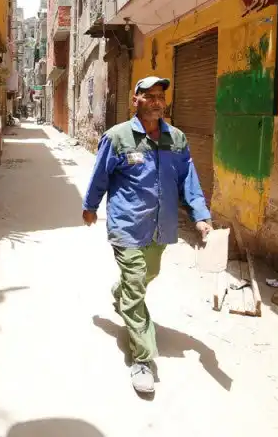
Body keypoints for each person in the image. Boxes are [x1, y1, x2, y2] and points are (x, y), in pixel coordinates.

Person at [82, 76, 212, 394]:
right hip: (127, 226)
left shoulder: (176, 139)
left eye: (160, 96)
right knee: (136, 289)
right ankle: (142, 359)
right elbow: (100, 176)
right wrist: (90, 206)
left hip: (160, 228)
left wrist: (200, 215)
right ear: (135, 100)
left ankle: (121, 293)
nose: (156, 101)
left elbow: (189, 179)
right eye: (149, 95)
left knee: (147, 275)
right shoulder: (117, 137)